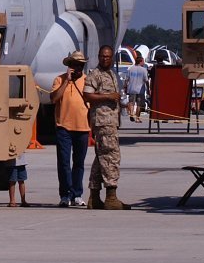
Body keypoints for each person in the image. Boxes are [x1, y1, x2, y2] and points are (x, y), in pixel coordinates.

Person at [83, 45, 130, 210]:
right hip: (103, 122)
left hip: (111, 121)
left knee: (101, 158)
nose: (105, 59)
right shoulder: (94, 75)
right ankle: (111, 196)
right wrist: (108, 96)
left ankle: (94, 196)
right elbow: (87, 95)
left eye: (108, 56)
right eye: (102, 56)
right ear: (98, 57)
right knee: (111, 156)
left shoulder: (111, 74)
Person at [50, 51, 90, 207]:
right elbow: (54, 99)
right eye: (74, 65)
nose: (77, 68)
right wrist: (67, 81)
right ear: (69, 66)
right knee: (64, 163)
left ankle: (77, 194)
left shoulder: (88, 81)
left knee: (79, 163)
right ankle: (65, 194)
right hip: (63, 126)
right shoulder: (59, 80)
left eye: (80, 65)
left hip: (83, 127)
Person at [125, 54, 149, 122]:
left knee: (131, 103)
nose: (144, 62)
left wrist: (125, 87)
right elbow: (146, 81)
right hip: (140, 90)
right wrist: (148, 89)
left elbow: (127, 79)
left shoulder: (130, 69)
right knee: (139, 104)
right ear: (140, 62)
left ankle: (131, 113)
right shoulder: (144, 70)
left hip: (131, 89)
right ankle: (137, 118)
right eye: (143, 61)